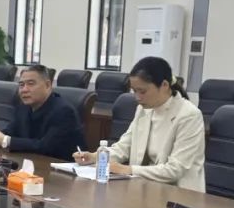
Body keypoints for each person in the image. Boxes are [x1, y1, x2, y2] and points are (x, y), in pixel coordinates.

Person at [73, 56, 205, 191]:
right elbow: (123, 147)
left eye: (142, 91)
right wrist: (95, 157)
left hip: (179, 194)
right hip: (144, 188)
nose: (137, 97)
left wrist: (128, 169)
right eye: (134, 91)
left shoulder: (189, 115)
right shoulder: (144, 109)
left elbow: (175, 170)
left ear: (164, 85)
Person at [0, 64, 83, 159]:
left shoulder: (64, 111)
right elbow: (11, 131)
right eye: (21, 85)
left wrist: (4, 140)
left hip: (62, 171)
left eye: (31, 84)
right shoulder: (24, 107)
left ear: (48, 85)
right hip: (32, 164)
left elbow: (45, 146)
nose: (24, 90)